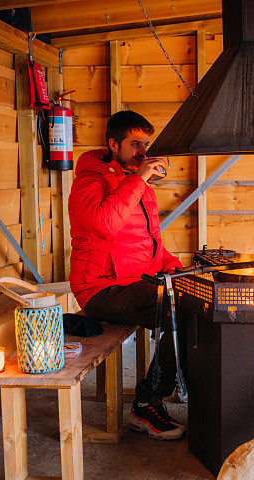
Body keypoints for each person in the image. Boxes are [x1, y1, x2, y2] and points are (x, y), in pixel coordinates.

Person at [68, 110, 186, 440]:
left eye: (146, 144)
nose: (143, 152)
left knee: (199, 299)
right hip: (100, 288)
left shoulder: (140, 185)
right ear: (113, 144)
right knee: (182, 311)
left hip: (138, 282)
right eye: (135, 144)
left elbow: (153, 244)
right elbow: (106, 224)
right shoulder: (88, 182)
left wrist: (179, 270)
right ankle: (145, 406)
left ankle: (189, 392)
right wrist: (138, 179)